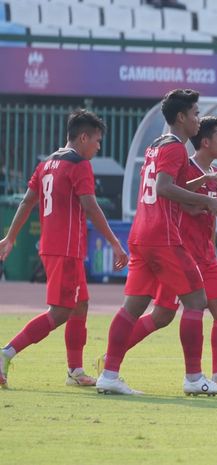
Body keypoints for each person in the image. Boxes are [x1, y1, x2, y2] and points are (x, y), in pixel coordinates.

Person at [95, 89, 217, 395]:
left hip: (141, 234)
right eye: (196, 113)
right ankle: (195, 379)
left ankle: (108, 374)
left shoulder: (156, 146)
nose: (199, 119)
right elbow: (164, 188)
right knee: (196, 302)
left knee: (133, 307)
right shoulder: (175, 148)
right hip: (164, 236)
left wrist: (203, 182)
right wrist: (207, 201)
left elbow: (175, 183)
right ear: (182, 117)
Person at [0, 110, 128, 388]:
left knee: (80, 305)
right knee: (60, 311)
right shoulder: (79, 164)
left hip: (53, 246)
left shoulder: (47, 163)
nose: (98, 146)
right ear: (83, 137)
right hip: (65, 249)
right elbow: (91, 206)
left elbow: (27, 202)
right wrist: (116, 243)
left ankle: (75, 371)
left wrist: (10, 237)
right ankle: (5, 353)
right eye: (96, 140)